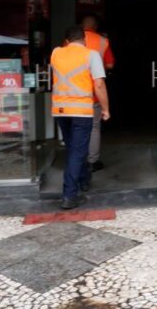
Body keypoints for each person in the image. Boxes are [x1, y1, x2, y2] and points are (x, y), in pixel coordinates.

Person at [51, 26, 110, 210]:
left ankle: (84, 179)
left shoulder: (56, 53)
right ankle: (69, 195)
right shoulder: (91, 55)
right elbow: (99, 84)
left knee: (74, 149)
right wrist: (106, 109)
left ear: (67, 41)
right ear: (84, 39)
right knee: (77, 152)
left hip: (61, 111)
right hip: (82, 111)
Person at [81, 13, 115, 172]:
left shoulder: (70, 41)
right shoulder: (103, 41)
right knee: (94, 127)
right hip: (94, 91)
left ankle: (77, 160)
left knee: (77, 128)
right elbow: (110, 65)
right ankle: (92, 161)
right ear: (95, 27)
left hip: (73, 93)